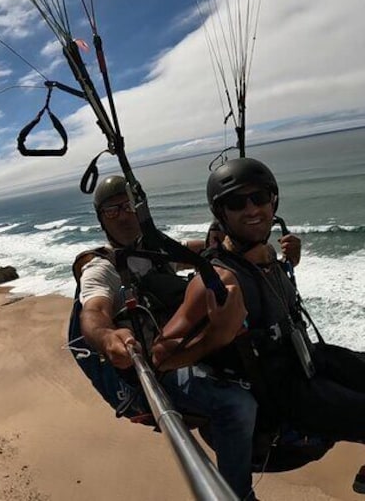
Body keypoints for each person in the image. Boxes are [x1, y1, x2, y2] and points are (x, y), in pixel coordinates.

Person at [153, 158, 365, 495]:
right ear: (221, 214)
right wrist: (216, 336)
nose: (252, 209)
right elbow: (161, 356)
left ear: (274, 201)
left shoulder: (266, 256)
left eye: (260, 198)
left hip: (308, 357)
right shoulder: (219, 278)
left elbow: (271, 298)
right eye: (237, 203)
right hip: (287, 390)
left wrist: (287, 263)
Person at [76, 175, 259, 499]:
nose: (125, 213)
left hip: (185, 345)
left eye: (130, 204)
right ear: (102, 219)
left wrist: (237, 241)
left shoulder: (154, 249)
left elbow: (189, 252)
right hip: (160, 368)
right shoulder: (102, 268)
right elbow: (93, 312)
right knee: (236, 403)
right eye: (113, 209)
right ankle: (238, 494)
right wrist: (106, 337)